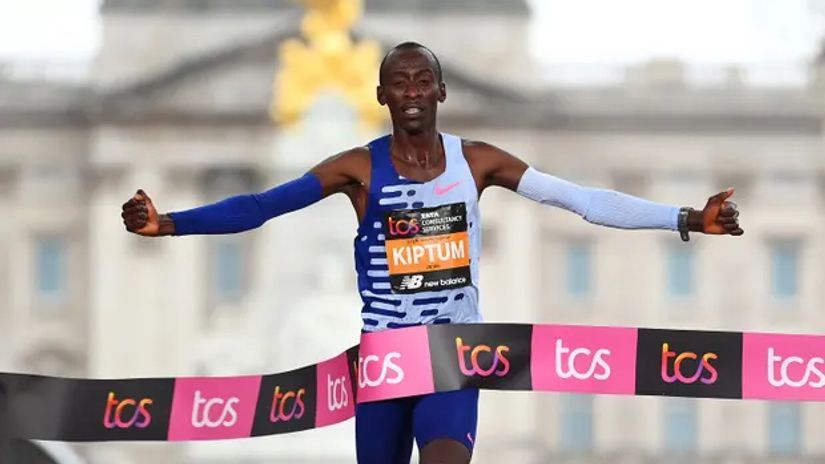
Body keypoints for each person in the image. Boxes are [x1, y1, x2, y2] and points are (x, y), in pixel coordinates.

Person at [121, 41, 743, 464]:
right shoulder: (358, 168)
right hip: (385, 362)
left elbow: (580, 199)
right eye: (400, 82)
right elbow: (262, 206)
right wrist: (168, 224)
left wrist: (686, 218)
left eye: (423, 80)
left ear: (442, 91)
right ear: (382, 96)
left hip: (452, 352)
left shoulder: (478, 161)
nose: (412, 91)